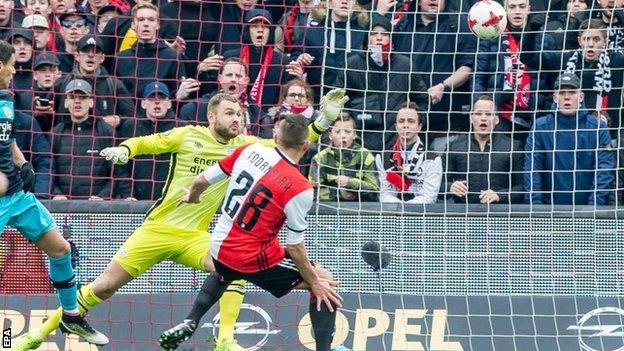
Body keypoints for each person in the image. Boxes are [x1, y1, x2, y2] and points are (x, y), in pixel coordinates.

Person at [27, 88, 349, 351]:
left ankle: (225, 341)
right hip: (157, 229)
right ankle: (37, 335)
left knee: (233, 268)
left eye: (239, 114)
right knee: (105, 286)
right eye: (229, 113)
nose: (236, 119)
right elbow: (147, 142)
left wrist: (321, 122)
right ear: (211, 117)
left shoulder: (246, 146)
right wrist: (125, 150)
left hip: (196, 236)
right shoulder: (187, 135)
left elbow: (288, 146)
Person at [158, 114, 343, 351]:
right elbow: (295, 247)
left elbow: (202, 180)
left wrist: (193, 197)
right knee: (325, 283)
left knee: (227, 270)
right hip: (252, 258)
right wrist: (314, 281)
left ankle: (191, 319)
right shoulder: (300, 188)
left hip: (219, 246)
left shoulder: (249, 150)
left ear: (275, 136)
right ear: (306, 145)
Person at [0, 41, 108, 351]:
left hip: (18, 197)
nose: (15, 71)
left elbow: (7, 138)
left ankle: (71, 315)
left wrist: (23, 164)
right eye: (12, 66)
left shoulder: (7, 98)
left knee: (60, 250)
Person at [521, 18, 624, 142]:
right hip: (567, 133)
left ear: (605, 41)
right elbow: (527, 57)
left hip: (605, 133)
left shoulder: (617, 61)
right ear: (579, 41)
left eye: (596, 39)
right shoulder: (563, 59)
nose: (591, 44)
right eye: (586, 39)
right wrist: (532, 32)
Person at [335, 15, 427, 151]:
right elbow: (337, 101)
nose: (379, 38)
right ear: (367, 39)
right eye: (373, 33)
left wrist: (409, 123)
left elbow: (422, 100)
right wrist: (350, 125)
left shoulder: (405, 65)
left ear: (392, 40)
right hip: (358, 142)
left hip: (396, 142)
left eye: (384, 34)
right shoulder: (352, 64)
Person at [524, 72, 615, 205]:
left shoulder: (598, 128)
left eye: (572, 92)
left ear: (581, 96)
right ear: (555, 97)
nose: (567, 97)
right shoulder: (540, 127)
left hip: (588, 210)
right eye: (562, 93)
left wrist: (593, 208)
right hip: (548, 211)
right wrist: (536, 208)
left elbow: (604, 170)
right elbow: (532, 169)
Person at [50, 79, 129, 200]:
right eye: (72, 97)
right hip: (62, 207)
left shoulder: (106, 132)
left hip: (97, 208)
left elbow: (118, 172)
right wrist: (55, 194)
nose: (77, 101)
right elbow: (48, 170)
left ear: (91, 102)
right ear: (66, 102)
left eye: (82, 97)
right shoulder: (56, 133)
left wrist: (103, 196)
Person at [444, 95, 524, 204]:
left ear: (496, 119)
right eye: (478, 113)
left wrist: (499, 195)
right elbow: (436, 182)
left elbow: (522, 186)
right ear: (471, 118)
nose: (483, 118)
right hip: (463, 214)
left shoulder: (513, 147)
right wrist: (450, 187)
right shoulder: (455, 147)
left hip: (500, 214)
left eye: (488, 114)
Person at [118, 81, 177, 200]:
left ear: (169, 103)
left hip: (172, 200)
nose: (156, 102)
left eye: (161, 98)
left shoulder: (181, 128)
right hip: (136, 201)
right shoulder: (130, 127)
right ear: (143, 104)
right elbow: (122, 166)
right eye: (151, 99)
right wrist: (128, 195)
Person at [376, 102, 442, 203]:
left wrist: (406, 208)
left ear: (419, 127)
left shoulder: (432, 159)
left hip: (420, 214)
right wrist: (399, 207)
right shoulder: (383, 157)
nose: (405, 125)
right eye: (401, 121)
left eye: (411, 121)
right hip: (391, 213)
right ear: (396, 126)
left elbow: (429, 197)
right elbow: (384, 194)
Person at [309, 112, 378, 201]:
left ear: (354, 134)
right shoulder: (320, 158)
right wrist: (339, 193)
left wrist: (350, 183)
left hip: (361, 208)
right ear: (330, 135)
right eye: (337, 132)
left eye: (348, 131)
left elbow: (374, 191)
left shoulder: (366, 155)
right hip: (329, 209)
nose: (343, 136)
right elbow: (312, 193)